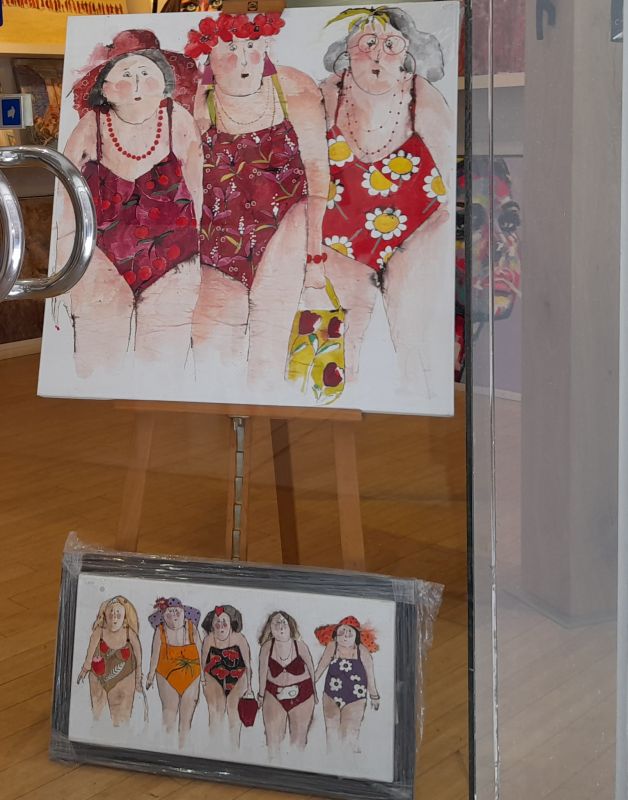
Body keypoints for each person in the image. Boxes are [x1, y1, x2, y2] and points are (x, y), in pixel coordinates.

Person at [185, 13, 329, 386]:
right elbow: (189, 182)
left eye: (252, 45)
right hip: (216, 241)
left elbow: (317, 173)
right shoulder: (199, 100)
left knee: (271, 344)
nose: (244, 58)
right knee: (212, 348)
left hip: (284, 233)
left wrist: (315, 257)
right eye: (230, 48)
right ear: (210, 56)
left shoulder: (294, 89)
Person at [319, 6, 454, 397]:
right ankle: (335, 406)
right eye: (367, 43)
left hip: (417, 226)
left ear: (408, 52)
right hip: (339, 232)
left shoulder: (420, 94)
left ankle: (419, 400)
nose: (378, 53)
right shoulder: (327, 93)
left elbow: (446, 163)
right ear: (346, 51)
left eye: (391, 44)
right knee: (339, 338)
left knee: (414, 335)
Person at [59, 30, 202, 377]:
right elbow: (65, 199)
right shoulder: (90, 126)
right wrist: (64, 263)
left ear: (165, 83)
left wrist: (200, 258)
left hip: (174, 259)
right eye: (125, 73)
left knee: (163, 364)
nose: (137, 82)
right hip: (100, 256)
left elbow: (199, 191)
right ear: (104, 87)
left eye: (146, 72)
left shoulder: (178, 121)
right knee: (97, 358)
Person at [314, 615, 379, 753]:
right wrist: (310, 685)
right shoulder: (332, 646)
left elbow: (370, 674)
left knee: (350, 735)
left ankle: (348, 761)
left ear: (356, 636)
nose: (345, 636)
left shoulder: (362, 650)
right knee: (331, 734)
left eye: (349, 633)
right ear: (335, 635)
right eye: (341, 632)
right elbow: (321, 666)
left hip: (356, 699)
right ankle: (331, 760)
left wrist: (374, 696)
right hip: (330, 695)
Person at [77, 595, 143, 726]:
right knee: (97, 711)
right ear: (105, 615)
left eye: (118, 613)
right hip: (98, 674)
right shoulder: (99, 631)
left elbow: (138, 655)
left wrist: (138, 678)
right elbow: (90, 652)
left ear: (125, 617)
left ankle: (120, 731)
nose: (114, 616)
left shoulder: (129, 633)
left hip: (125, 675)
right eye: (111, 613)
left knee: (122, 714)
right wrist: (85, 669)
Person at [257, 610, 317, 754]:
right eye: (276, 623)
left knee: (299, 740)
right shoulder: (266, 647)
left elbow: (311, 669)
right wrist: (260, 695)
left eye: (283, 622)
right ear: (270, 629)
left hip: (302, 694)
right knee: (272, 740)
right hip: (273, 693)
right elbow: (262, 672)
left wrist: (315, 692)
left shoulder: (300, 646)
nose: (280, 626)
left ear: (290, 626)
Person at [146, 596, 203, 747]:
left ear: (184, 613)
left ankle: (183, 747)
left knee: (187, 716)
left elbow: (201, 652)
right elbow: (155, 654)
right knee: (169, 712)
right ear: (163, 616)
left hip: (192, 674)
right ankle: (167, 746)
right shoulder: (160, 631)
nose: (173, 617)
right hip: (166, 673)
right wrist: (150, 676)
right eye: (169, 613)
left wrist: (203, 676)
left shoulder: (191, 628)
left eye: (177, 612)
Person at [200, 604, 253, 746]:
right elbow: (203, 661)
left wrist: (249, 686)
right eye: (217, 622)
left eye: (224, 622)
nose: (221, 626)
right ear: (212, 624)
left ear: (231, 624)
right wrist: (202, 679)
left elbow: (248, 664)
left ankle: (234, 747)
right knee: (215, 711)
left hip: (237, 674)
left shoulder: (239, 638)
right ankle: (214, 745)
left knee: (234, 712)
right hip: (213, 673)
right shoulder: (209, 639)